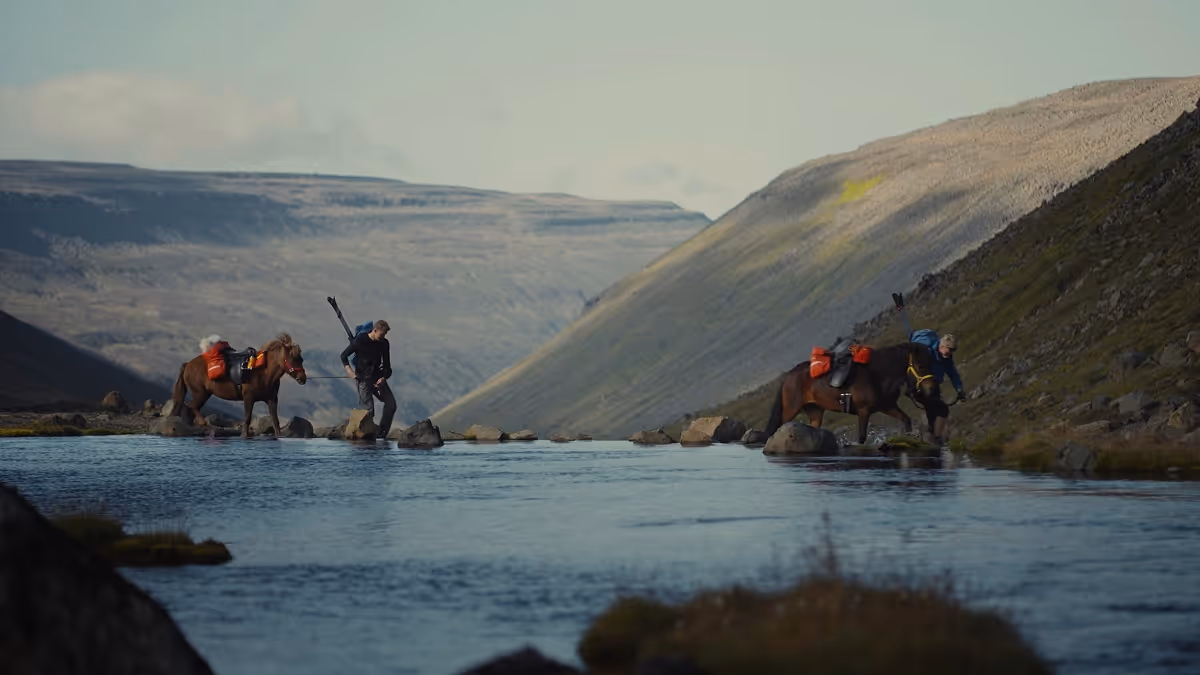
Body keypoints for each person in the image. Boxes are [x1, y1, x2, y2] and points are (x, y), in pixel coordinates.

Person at [340, 319, 397, 438]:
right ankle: (361, 436)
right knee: (369, 411)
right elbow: (344, 356)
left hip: (378, 380)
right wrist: (349, 371)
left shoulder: (384, 343)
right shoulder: (360, 341)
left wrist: (383, 378)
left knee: (391, 404)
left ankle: (382, 434)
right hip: (363, 380)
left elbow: (387, 367)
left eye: (385, 335)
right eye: (382, 335)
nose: (383, 337)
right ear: (375, 330)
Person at [908, 329, 964, 445]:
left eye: (953, 350)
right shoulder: (926, 350)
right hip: (920, 384)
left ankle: (935, 438)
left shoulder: (947, 360)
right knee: (935, 408)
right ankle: (933, 438)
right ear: (942, 345)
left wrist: (959, 390)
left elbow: (953, 374)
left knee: (941, 410)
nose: (950, 353)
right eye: (949, 349)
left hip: (933, 387)